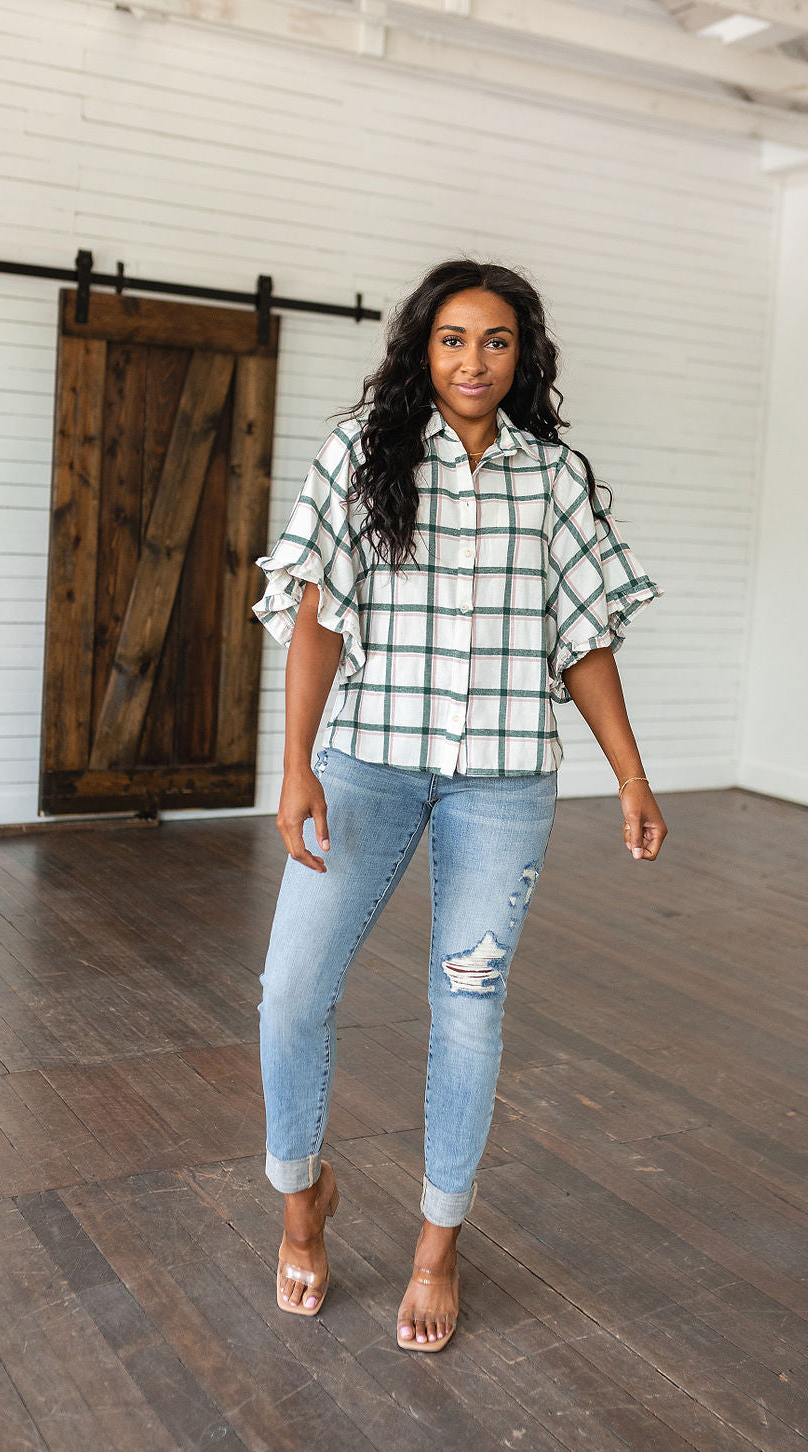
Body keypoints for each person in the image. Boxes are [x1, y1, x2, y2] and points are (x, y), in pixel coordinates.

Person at [252, 257, 666, 1353]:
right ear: (420, 350)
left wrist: (630, 773)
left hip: (504, 782)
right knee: (291, 991)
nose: (472, 361)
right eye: (451, 339)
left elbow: (584, 639)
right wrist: (295, 766)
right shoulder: (361, 454)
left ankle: (437, 1250)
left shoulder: (553, 477)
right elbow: (317, 619)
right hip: (366, 768)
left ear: (522, 355)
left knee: (468, 1011)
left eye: (495, 340)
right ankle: (302, 1204)